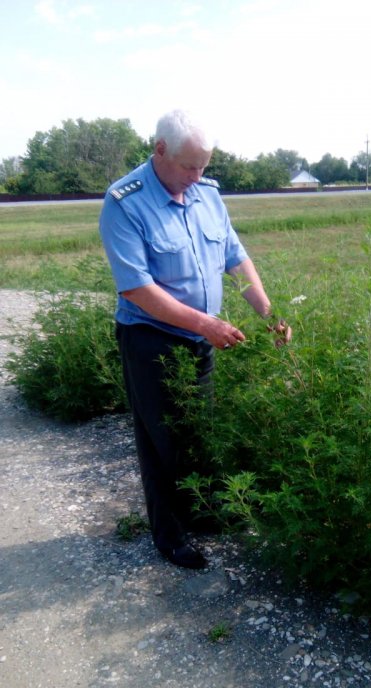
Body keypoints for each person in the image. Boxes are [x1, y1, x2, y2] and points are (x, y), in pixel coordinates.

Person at [99, 109, 291, 570]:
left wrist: (270, 313)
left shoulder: (206, 196)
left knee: (198, 432)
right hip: (152, 339)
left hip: (202, 339)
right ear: (159, 150)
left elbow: (236, 259)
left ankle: (202, 514)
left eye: (204, 166)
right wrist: (205, 324)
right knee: (163, 440)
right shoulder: (125, 201)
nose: (197, 175)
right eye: (189, 166)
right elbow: (136, 288)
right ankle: (169, 535)